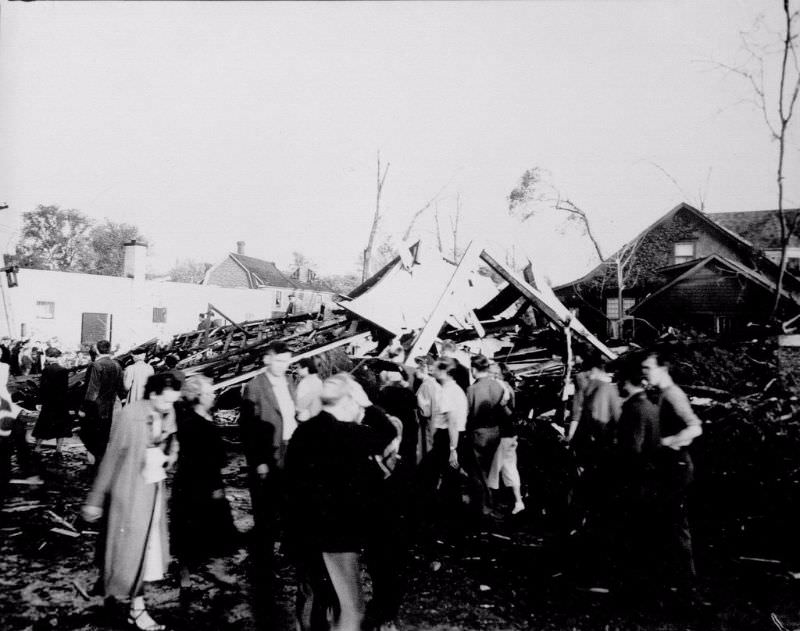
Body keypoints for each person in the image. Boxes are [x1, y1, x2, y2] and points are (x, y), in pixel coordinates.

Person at [285, 373, 398, 631]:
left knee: (314, 595)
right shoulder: (349, 433)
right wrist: (368, 406)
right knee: (351, 606)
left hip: (304, 531)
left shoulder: (302, 433)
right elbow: (387, 432)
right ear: (347, 401)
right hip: (337, 535)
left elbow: (290, 484)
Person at [82, 372, 181, 631]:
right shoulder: (132, 414)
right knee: (133, 553)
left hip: (153, 493)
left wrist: (169, 456)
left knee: (145, 553)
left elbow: (170, 445)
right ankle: (134, 609)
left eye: (173, 402)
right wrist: (95, 500)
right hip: (129, 495)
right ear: (153, 394)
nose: (170, 407)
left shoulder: (167, 413)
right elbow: (112, 457)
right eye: (166, 402)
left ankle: (126, 603)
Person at [239, 340, 297, 626]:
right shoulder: (255, 386)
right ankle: (262, 565)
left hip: (288, 451)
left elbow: (294, 415)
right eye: (280, 360)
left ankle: (279, 555)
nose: (284, 365)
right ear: (267, 360)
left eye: (287, 360)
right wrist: (259, 460)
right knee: (265, 512)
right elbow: (248, 428)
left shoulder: (289, 382)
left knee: (286, 507)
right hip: (267, 455)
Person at [642, 350, 703, 597]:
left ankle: (688, 585)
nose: (644, 372)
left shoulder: (674, 394)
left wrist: (666, 442)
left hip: (677, 465)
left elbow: (695, 427)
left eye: (648, 368)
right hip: (668, 465)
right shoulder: (662, 394)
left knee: (677, 525)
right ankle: (673, 580)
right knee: (667, 523)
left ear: (662, 369)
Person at [171, 375, 237, 600]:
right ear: (199, 397)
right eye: (209, 393)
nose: (214, 396)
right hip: (200, 484)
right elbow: (204, 459)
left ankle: (188, 577)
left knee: (191, 532)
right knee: (199, 531)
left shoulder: (193, 418)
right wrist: (214, 486)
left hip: (191, 483)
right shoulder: (196, 424)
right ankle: (193, 577)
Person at [615, 358, 661, 591]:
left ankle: (634, 580)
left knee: (632, 527)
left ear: (625, 382)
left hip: (635, 476)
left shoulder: (634, 409)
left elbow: (632, 447)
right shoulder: (651, 407)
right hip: (650, 475)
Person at [466, 354, 510, 517]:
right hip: (495, 432)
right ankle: (489, 503)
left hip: (478, 433)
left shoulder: (472, 389)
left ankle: (483, 506)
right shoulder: (498, 386)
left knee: (478, 473)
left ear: (474, 369)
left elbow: (468, 415)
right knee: (489, 470)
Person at [486, 361, 524, 515]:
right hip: (511, 433)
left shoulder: (498, 387)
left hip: (502, 433)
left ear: (496, 374)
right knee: (509, 468)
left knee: (493, 470)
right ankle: (518, 501)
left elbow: (500, 409)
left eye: (491, 371)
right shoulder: (508, 386)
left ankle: (491, 506)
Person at [80, 340, 126, 465]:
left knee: (89, 434)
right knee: (104, 435)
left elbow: (92, 390)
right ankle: (101, 461)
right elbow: (121, 387)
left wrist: (83, 408)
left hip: (95, 407)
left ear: (97, 350)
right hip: (109, 406)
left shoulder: (95, 365)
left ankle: (93, 461)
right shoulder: (117, 365)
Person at [32, 347, 72, 455]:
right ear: (57, 357)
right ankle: (59, 448)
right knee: (61, 426)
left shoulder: (46, 370)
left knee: (43, 425)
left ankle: (38, 446)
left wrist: (39, 401)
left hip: (49, 402)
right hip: (60, 402)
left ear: (48, 357)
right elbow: (65, 389)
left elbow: (43, 388)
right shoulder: (63, 370)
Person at [295, 357, 323, 422]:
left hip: (304, 417)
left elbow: (299, 404)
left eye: (298, 368)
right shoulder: (318, 381)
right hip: (315, 416)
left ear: (306, 368)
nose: (297, 370)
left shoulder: (305, 382)